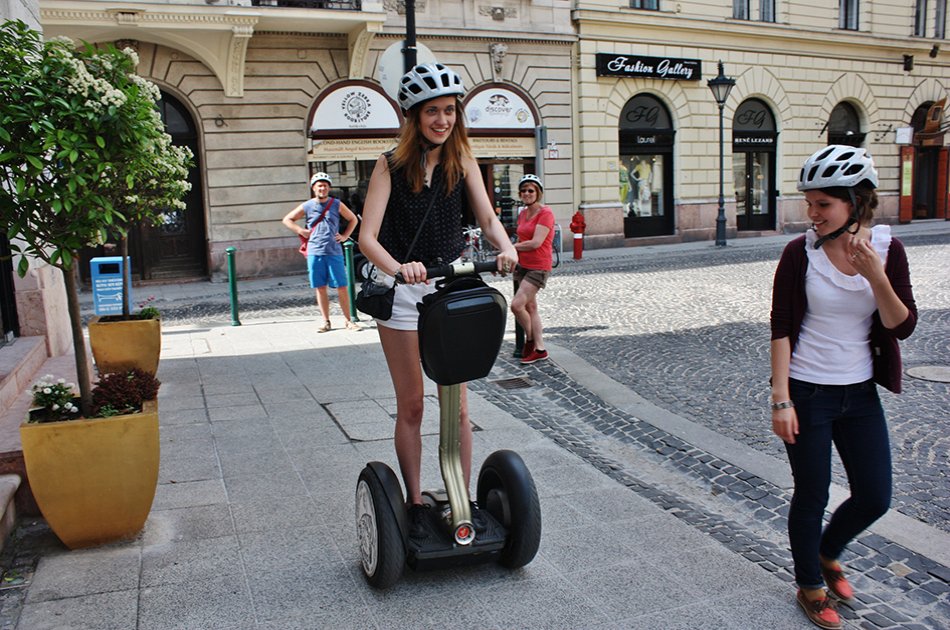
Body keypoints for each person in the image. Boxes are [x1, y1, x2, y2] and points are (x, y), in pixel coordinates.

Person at [358, 63, 518, 536]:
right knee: (412, 405)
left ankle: (458, 499)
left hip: (449, 288)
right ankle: (412, 502)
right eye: (433, 112)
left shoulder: (462, 160)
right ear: (414, 116)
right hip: (403, 293)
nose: (443, 120)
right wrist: (397, 269)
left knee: (459, 408)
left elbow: (488, 221)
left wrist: (505, 247)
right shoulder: (388, 165)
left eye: (449, 111)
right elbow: (367, 237)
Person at [770, 145, 917, 630]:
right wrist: (781, 399)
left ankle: (829, 552)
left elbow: (900, 326)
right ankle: (810, 585)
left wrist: (876, 275)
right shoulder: (800, 254)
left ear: (855, 201)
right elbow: (782, 327)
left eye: (822, 205)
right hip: (808, 392)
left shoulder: (889, 251)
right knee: (811, 494)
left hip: (860, 395)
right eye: (809, 203)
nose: (811, 214)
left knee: (875, 495)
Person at [282, 172, 361, 332]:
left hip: (334, 251)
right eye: (319, 185)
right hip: (315, 251)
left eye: (325, 185)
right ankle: (326, 321)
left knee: (342, 287)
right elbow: (287, 219)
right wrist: (300, 230)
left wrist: (345, 236)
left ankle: (348, 320)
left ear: (329, 187)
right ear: (313, 188)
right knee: (320, 287)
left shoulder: (336, 203)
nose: (322, 188)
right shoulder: (308, 205)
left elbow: (353, 218)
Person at [511, 174, 555, 365]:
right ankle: (540, 348)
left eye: (531, 190)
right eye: (524, 190)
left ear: (538, 193)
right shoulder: (522, 213)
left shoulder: (546, 213)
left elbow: (536, 243)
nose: (527, 193)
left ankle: (530, 341)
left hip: (538, 266)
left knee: (516, 305)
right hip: (523, 265)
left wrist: (510, 248)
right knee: (531, 307)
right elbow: (521, 238)